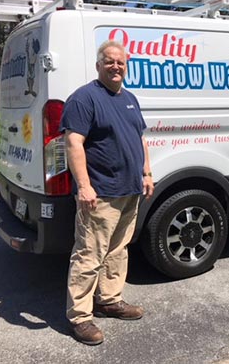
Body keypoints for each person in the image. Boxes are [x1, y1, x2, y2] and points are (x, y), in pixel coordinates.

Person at [60, 40, 154, 345]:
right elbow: (73, 143)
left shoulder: (129, 98)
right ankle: (80, 317)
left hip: (129, 189)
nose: (116, 67)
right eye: (110, 61)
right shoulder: (84, 98)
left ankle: (110, 300)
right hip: (100, 193)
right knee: (89, 254)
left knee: (118, 250)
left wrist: (147, 172)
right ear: (99, 65)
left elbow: (140, 139)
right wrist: (85, 186)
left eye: (121, 63)